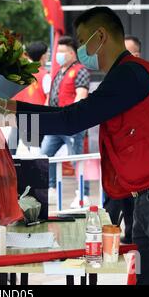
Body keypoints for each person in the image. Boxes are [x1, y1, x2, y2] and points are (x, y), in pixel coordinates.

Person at [0, 7, 149, 285]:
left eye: (82, 41)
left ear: (101, 36)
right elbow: (73, 113)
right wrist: (10, 106)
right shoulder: (123, 76)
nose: (80, 49)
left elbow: (73, 119)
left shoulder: (130, 74)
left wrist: (9, 114)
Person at [40, 36, 90, 205]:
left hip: (71, 124)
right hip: (55, 124)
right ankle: (51, 188)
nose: (58, 55)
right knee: (45, 154)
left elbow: (81, 96)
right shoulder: (59, 72)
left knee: (76, 159)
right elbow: (52, 97)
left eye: (62, 52)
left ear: (72, 53)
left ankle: (83, 194)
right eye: (57, 52)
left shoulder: (80, 71)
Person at [103, 34, 142, 244]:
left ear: (135, 54)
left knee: (131, 200)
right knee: (116, 198)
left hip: (134, 154)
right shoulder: (114, 79)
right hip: (115, 154)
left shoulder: (143, 79)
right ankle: (112, 238)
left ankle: (130, 236)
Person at [9, 41, 51, 154]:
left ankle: (8, 166)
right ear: (43, 56)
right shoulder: (45, 75)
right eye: (47, 53)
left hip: (19, 113)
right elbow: (48, 99)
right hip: (36, 118)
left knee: (17, 145)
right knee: (36, 150)